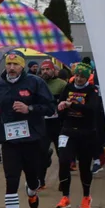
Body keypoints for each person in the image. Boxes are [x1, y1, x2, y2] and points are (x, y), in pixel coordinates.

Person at [0, 50, 55, 208]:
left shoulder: (35, 82)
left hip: (32, 139)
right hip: (9, 141)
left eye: (16, 64)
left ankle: (32, 191)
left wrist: (29, 109)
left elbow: (50, 107)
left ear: (22, 65)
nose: (12, 68)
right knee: (11, 180)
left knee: (33, 178)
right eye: (9, 64)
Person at [55, 62, 102, 208]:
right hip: (67, 131)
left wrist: (71, 105)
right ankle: (65, 196)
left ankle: (86, 196)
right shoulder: (68, 88)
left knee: (84, 166)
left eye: (82, 76)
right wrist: (61, 106)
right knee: (63, 160)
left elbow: (91, 109)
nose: (79, 79)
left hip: (86, 133)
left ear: (87, 77)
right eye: (77, 75)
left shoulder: (92, 90)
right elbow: (61, 104)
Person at [37, 60, 68, 190]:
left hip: (58, 124)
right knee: (40, 153)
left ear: (53, 70)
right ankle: (40, 180)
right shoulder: (37, 83)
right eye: (43, 69)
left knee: (63, 154)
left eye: (47, 69)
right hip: (42, 124)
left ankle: (64, 181)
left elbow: (67, 101)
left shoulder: (62, 84)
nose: (45, 72)